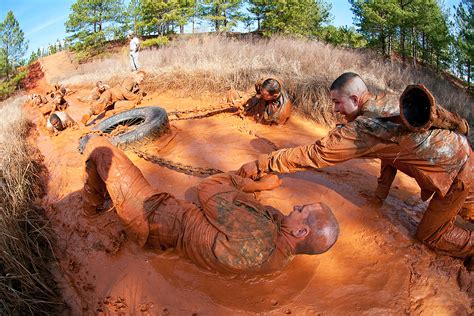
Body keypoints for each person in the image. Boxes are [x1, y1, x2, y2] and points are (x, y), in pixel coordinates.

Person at [237, 72, 472, 259]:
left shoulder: (364, 127)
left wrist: (263, 163)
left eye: (337, 102)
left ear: (355, 99)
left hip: (457, 177)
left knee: (430, 235)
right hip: (466, 159)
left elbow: (315, 154)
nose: (335, 109)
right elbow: (390, 154)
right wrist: (379, 197)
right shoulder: (387, 101)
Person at [81, 136, 339, 274]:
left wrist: (260, 185)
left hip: (153, 216)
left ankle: (90, 210)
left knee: (100, 147)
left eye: (301, 210)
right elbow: (256, 217)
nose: (294, 207)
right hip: (171, 237)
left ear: (301, 232)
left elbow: (208, 188)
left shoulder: (259, 229)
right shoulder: (279, 257)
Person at [81, 71, 146, 125]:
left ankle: (110, 112)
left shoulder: (137, 88)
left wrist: (139, 97)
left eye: (143, 78)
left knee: (131, 105)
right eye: (141, 77)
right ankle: (89, 112)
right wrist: (137, 98)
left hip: (118, 102)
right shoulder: (130, 80)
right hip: (111, 94)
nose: (142, 79)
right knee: (103, 101)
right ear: (136, 76)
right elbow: (125, 92)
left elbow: (137, 98)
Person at [227, 78, 292, 125]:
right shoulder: (266, 83)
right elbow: (254, 89)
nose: (260, 94)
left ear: (274, 96)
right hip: (258, 103)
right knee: (231, 93)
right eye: (261, 91)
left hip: (262, 113)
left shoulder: (282, 111)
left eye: (263, 95)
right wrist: (243, 99)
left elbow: (274, 127)